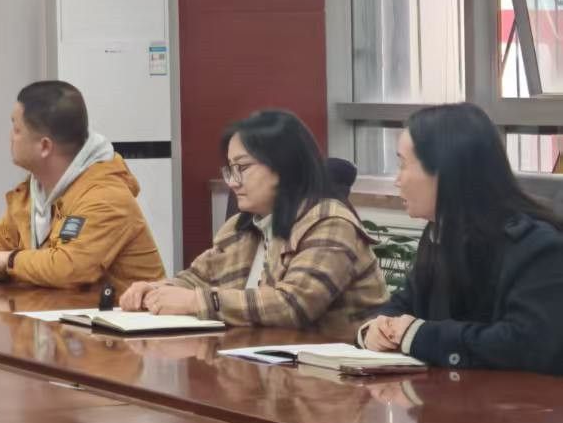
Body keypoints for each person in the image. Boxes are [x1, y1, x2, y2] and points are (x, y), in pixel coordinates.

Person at [119, 110, 386, 329]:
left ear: (284, 165)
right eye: (230, 170)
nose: (233, 182)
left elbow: (293, 305)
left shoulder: (329, 223)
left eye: (243, 168)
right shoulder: (240, 228)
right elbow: (198, 278)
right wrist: (155, 290)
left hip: (336, 373)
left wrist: (196, 302)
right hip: (262, 363)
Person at [358, 103, 563, 372]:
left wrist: (418, 335)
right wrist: (376, 329)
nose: (397, 180)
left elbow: (525, 345)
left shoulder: (536, 247)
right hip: (446, 394)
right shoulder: (440, 233)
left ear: (445, 171)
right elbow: (403, 304)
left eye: (403, 165)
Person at [0, 81, 164, 292]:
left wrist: (9, 260)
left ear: (44, 147)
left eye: (17, 129)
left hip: (128, 325)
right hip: (60, 320)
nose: (10, 137)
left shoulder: (105, 195)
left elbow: (69, 268)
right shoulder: (34, 188)